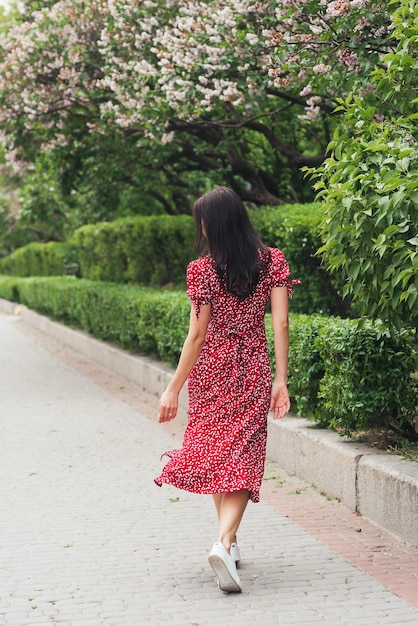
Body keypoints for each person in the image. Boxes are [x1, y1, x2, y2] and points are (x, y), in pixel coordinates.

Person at [154, 186, 298, 593]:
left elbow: (196, 335)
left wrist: (172, 388)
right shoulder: (272, 261)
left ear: (212, 223)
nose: (200, 226)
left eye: (202, 219)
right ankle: (227, 543)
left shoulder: (201, 270)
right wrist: (280, 379)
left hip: (211, 372)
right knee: (240, 455)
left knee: (219, 454)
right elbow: (281, 324)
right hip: (252, 367)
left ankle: (224, 541)